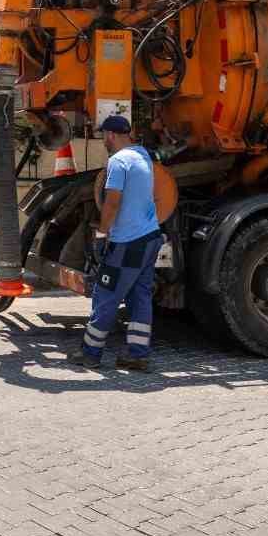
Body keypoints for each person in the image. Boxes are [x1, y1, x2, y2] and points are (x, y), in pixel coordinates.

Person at [69, 115, 163, 372]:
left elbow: (112, 202)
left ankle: (90, 353)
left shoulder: (118, 161)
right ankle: (138, 354)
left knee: (106, 295)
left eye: (103, 136)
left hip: (128, 242)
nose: (103, 141)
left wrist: (101, 234)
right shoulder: (144, 155)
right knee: (140, 296)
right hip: (150, 237)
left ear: (110, 135)